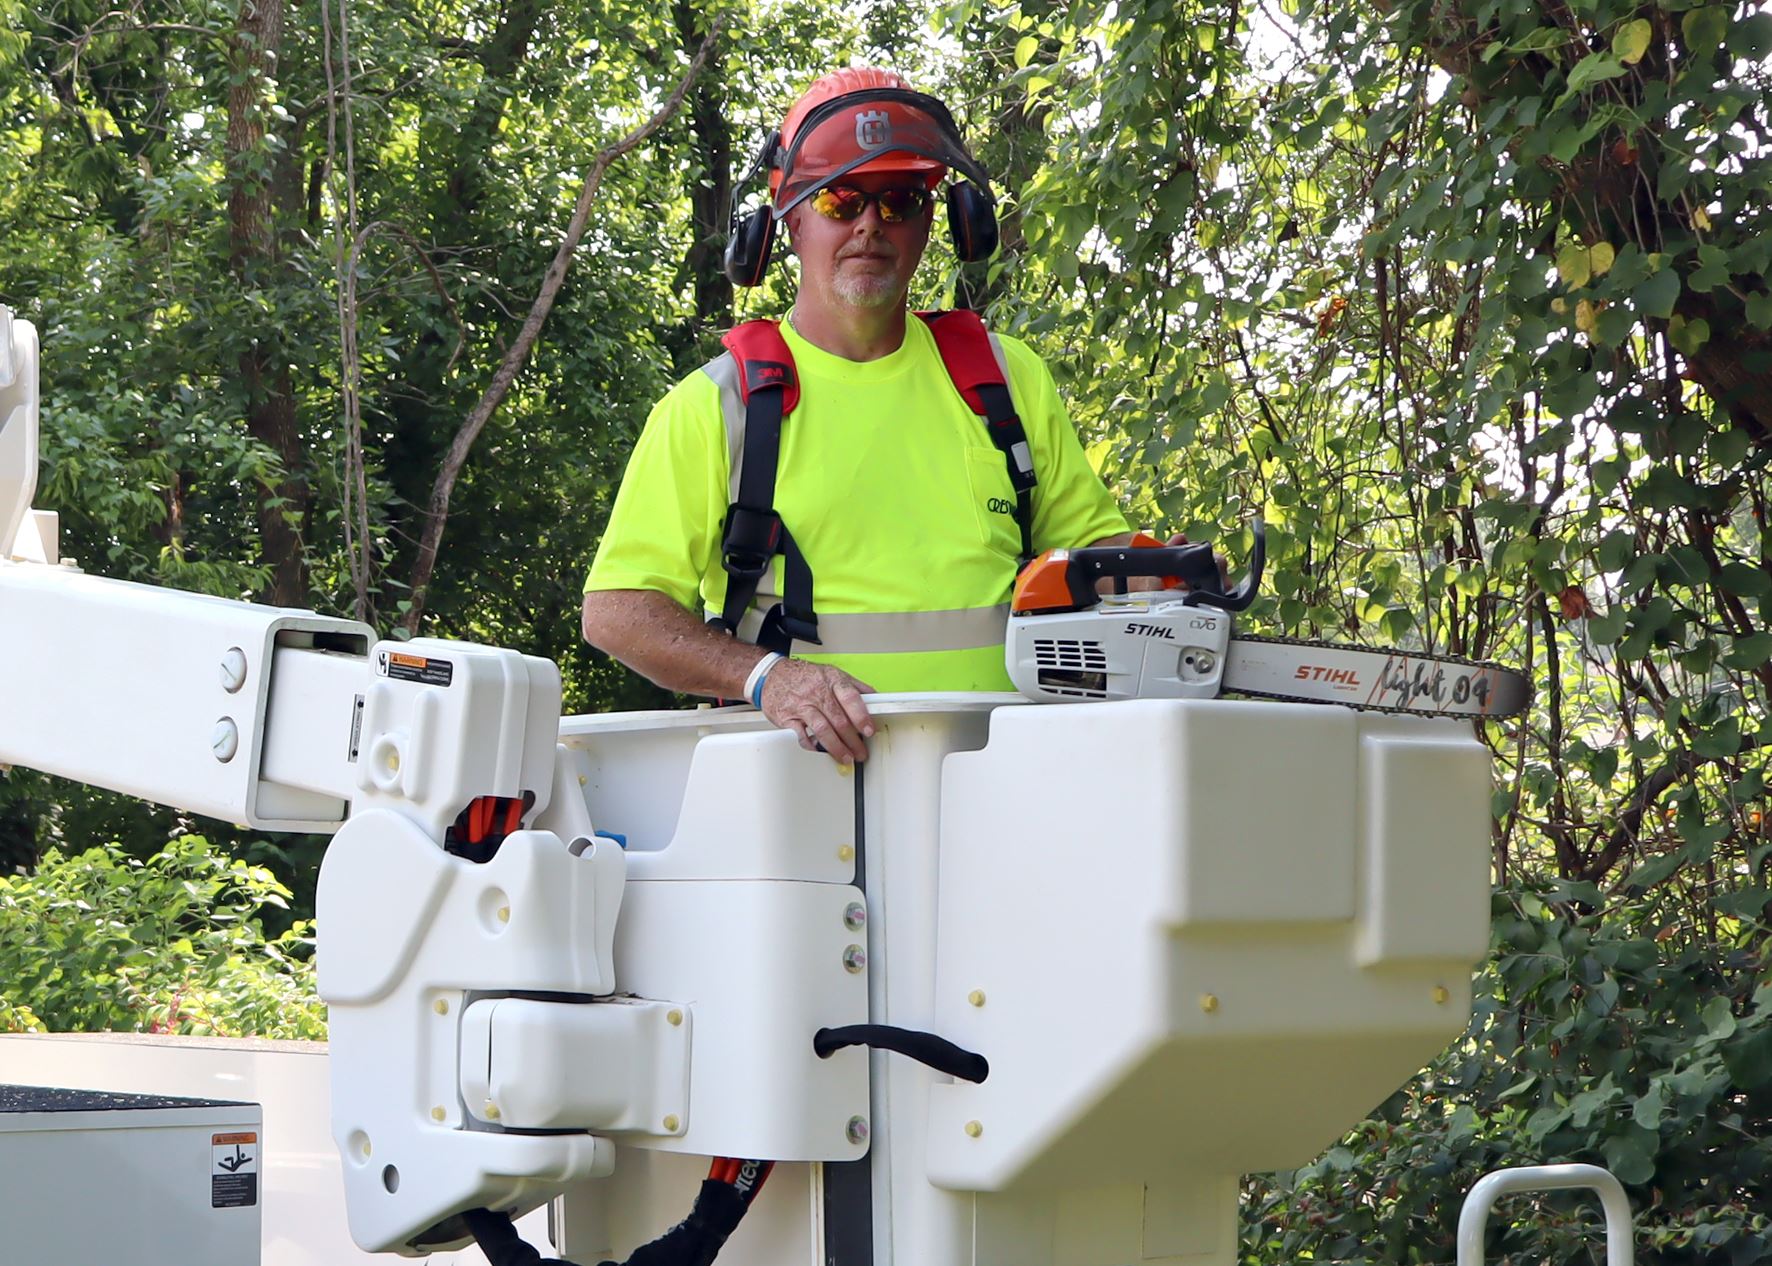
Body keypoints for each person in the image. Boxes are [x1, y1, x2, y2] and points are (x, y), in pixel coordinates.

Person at [581, 67, 1173, 765]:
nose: (870, 225)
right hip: (801, 791)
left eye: (898, 200)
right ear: (788, 220)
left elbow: (1094, 561)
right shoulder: (718, 406)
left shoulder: (1004, 378)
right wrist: (767, 677)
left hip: (1005, 771)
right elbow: (618, 610)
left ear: (941, 221)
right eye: (841, 198)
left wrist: (1173, 578)